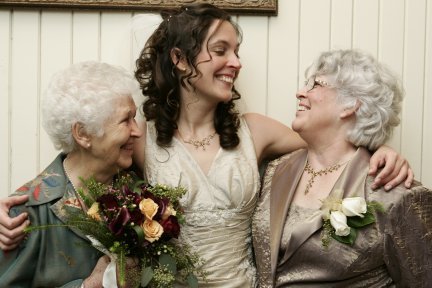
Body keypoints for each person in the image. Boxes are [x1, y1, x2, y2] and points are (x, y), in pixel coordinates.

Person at [0, 4, 413, 287]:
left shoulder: (258, 131)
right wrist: (13, 209)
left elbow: (333, 146)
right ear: (180, 60)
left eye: (237, 51)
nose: (236, 62)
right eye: (221, 50)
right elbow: (78, 170)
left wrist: (379, 152)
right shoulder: (139, 138)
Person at [252, 49, 432, 287]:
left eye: (315, 85)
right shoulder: (275, 171)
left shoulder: (395, 194)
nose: (300, 92)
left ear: (351, 105)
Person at [0, 61, 143, 287]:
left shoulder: (140, 195)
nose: (137, 130)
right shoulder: (24, 214)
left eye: (135, 117)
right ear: (83, 133)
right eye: (126, 120)